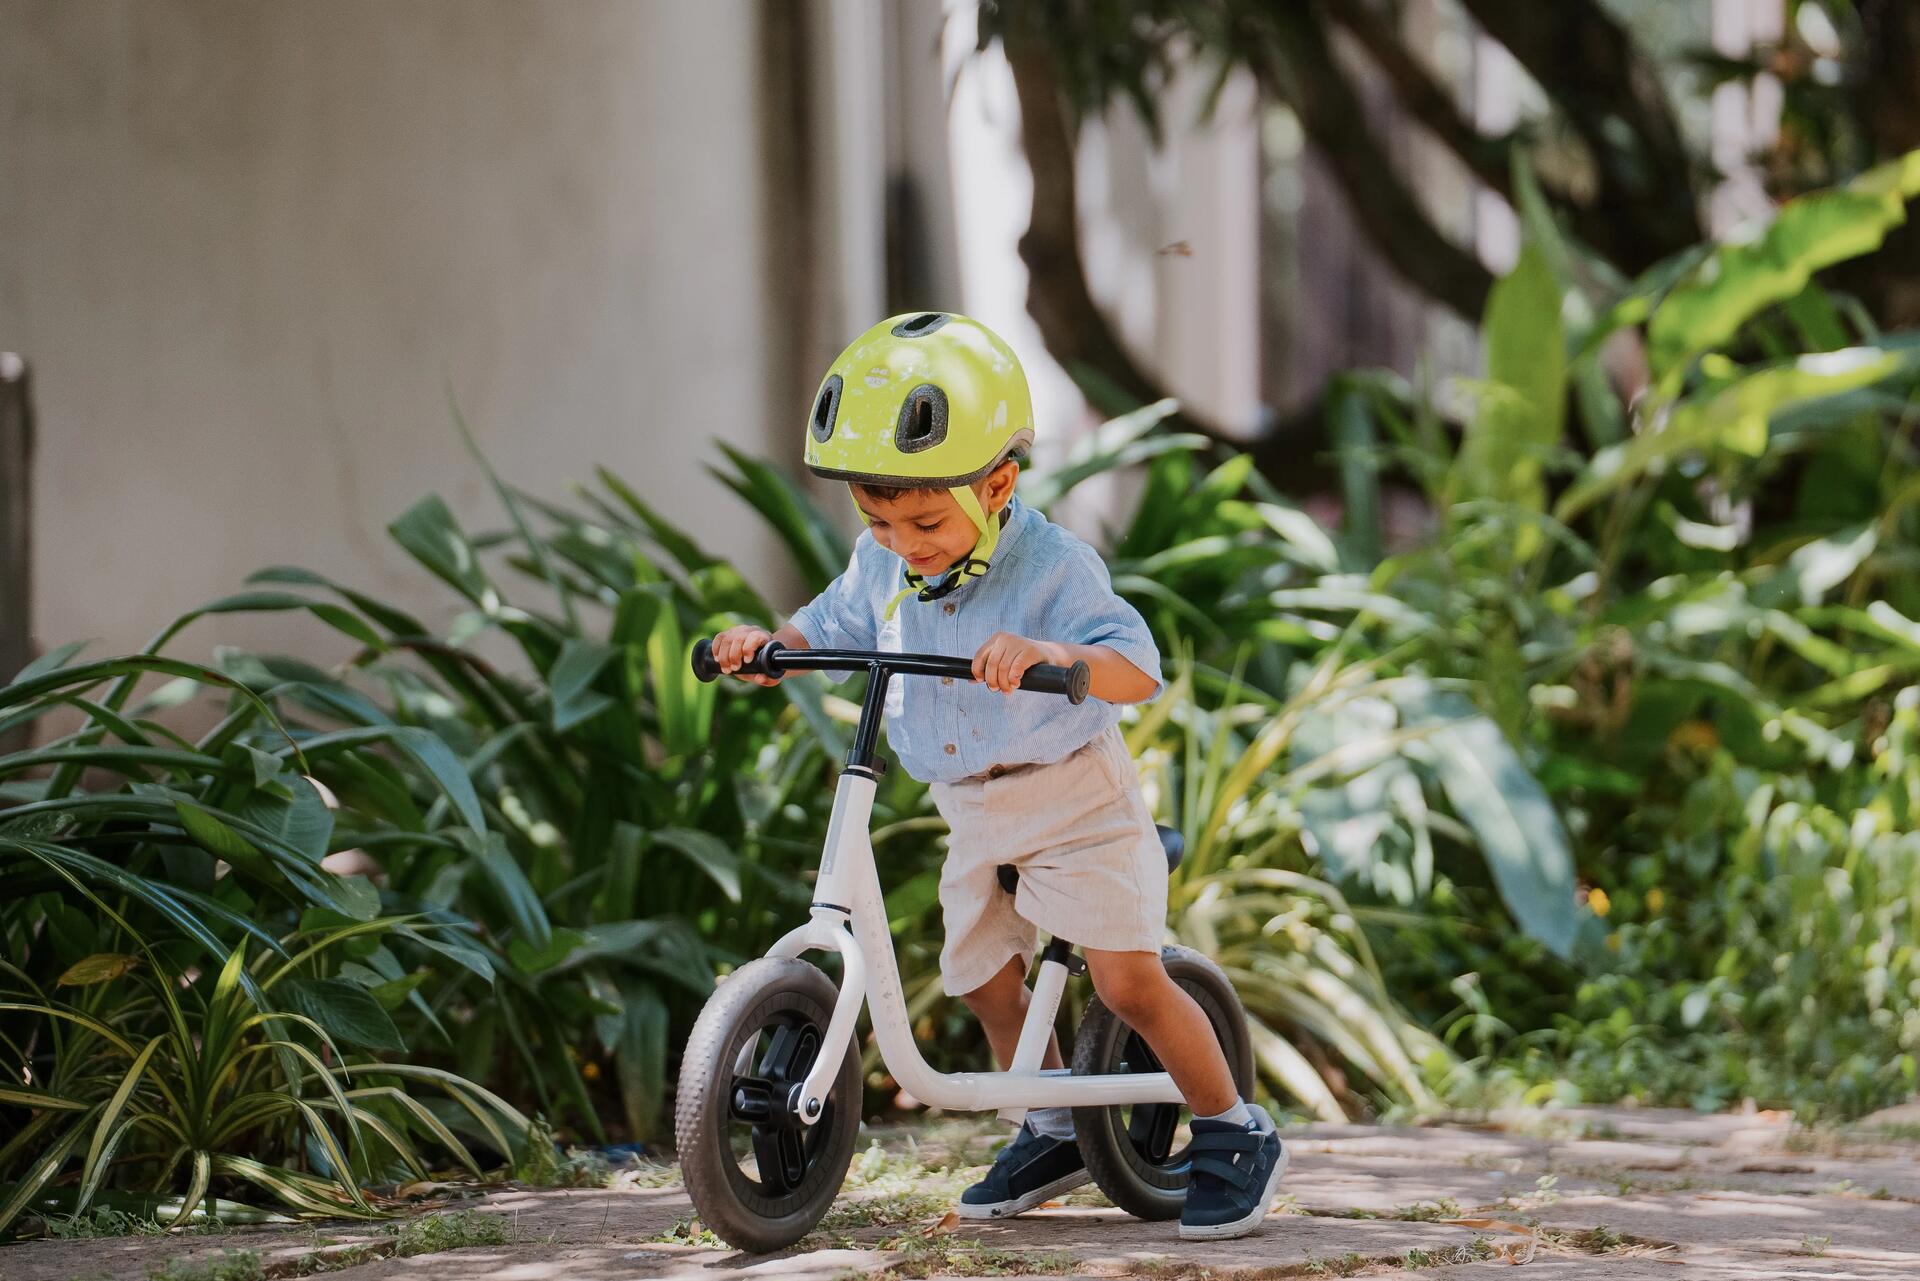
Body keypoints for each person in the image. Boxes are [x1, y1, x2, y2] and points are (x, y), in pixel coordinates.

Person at [709, 311, 1286, 1240]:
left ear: (1000, 483)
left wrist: (1053, 652)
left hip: (1074, 797)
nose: (904, 540)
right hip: (971, 804)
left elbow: (1138, 666)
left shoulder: (1054, 565)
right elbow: (827, 622)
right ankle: (1053, 1121)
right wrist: (769, 647)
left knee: (1129, 983)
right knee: (976, 974)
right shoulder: (883, 560)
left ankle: (1232, 1129)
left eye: (926, 519)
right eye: (880, 518)